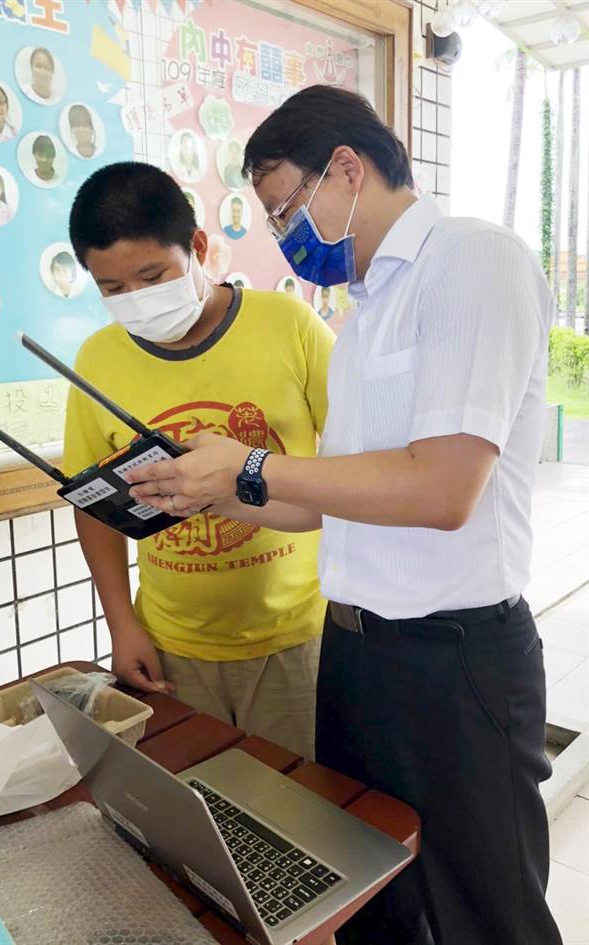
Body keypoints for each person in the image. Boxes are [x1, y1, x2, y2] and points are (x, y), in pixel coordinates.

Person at [125, 85, 562, 945]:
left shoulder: (474, 261)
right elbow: (345, 497)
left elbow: (441, 490)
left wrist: (252, 464)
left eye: (287, 209)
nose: (288, 240)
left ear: (349, 169)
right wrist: (225, 492)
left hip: (458, 661)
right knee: (372, 899)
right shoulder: (367, 314)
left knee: (485, 909)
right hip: (357, 656)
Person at [64, 161, 335, 762]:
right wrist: (121, 623)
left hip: (300, 634)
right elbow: (92, 508)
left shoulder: (290, 327)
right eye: (111, 289)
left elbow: (353, 467)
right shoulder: (97, 359)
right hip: (172, 641)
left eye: (152, 276)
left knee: (303, 811)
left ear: (199, 248)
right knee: (201, 811)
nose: (134, 301)